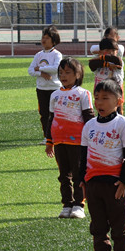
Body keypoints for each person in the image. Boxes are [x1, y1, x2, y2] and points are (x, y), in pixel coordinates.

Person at [76, 79, 125, 251]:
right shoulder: (89, 126)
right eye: (97, 98)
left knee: (119, 226)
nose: (99, 102)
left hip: (115, 184)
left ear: (119, 100)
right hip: (93, 184)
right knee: (98, 227)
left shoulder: (123, 124)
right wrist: (82, 179)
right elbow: (83, 155)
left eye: (105, 98)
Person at [45, 57, 94, 219]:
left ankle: (79, 205)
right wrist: (49, 141)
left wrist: (91, 139)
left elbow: (89, 118)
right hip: (59, 140)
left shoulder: (83, 93)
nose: (63, 76)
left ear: (77, 74)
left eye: (67, 72)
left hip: (78, 141)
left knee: (79, 173)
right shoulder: (55, 95)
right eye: (61, 72)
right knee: (63, 175)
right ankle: (67, 204)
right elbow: (51, 119)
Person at [29, 25, 63, 144]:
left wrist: (40, 68)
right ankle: (47, 137)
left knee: (55, 113)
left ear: (54, 40)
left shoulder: (57, 54)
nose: (44, 40)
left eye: (47, 38)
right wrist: (41, 73)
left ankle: (57, 135)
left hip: (54, 88)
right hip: (41, 88)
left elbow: (56, 68)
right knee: (44, 114)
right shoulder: (38, 55)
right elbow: (30, 70)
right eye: (43, 37)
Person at [88, 38, 125, 108]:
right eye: (107, 50)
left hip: (115, 93)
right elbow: (92, 64)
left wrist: (103, 56)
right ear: (100, 51)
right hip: (101, 94)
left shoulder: (118, 61)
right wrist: (107, 64)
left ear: (117, 52)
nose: (111, 53)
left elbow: (115, 60)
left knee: (117, 112)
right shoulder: (99, 63)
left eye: (113, 50)